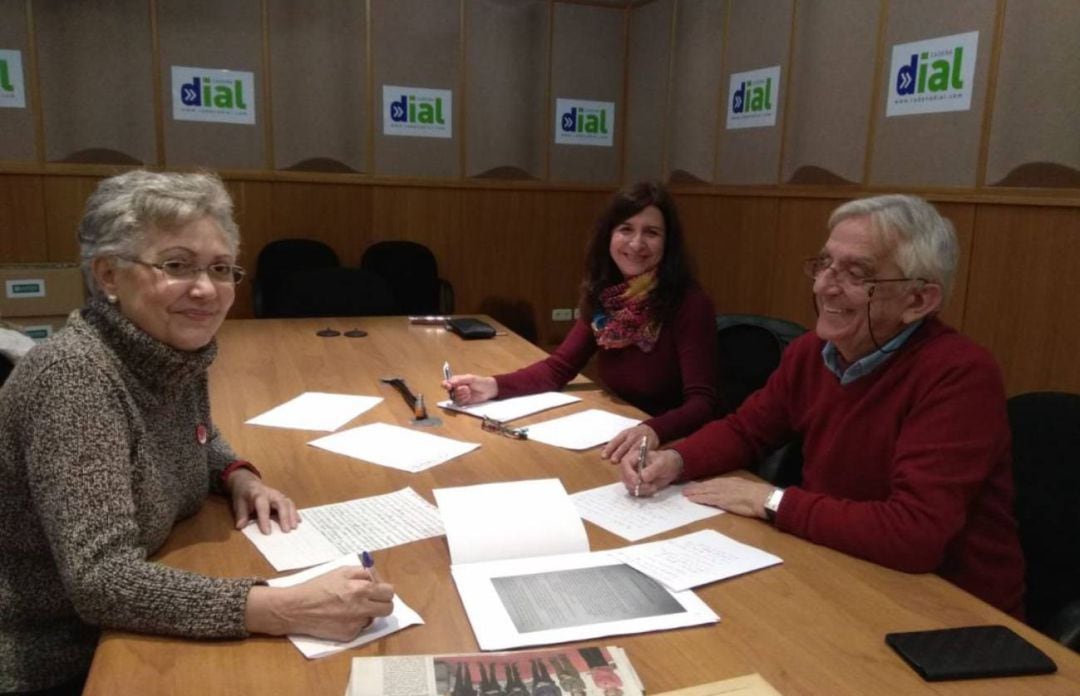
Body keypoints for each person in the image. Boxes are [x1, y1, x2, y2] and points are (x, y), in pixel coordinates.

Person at [0, 171, 394, 695]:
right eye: (177, 266)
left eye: (220, 268)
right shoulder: (74, 378)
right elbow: (100, 581)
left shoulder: (166, 352)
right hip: (61, 658)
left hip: (119, 633)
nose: (206, 289)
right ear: (109, 276)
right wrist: (286, 606)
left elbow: (195, 437)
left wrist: (239, 478)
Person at [619, 194, 1025, 617]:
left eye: (856, 273)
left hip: (950, 612)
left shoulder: (959, 374)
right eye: (825, 264)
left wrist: (772, 501)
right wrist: (676, 460)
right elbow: (747, 429)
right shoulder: (813, 352)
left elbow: (914, 533)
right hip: (839, 567)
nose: (823, 286)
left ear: (918, 301)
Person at [444, 181, 718, 460]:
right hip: (618, 433)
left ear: (668, 243)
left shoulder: (690, 304)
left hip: (668, 446)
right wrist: (491, 386)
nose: (637, 243)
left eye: (652, 232)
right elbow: (558, 368)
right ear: (608, 236)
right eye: (625, 229)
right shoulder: (609, 297)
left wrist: (652, 430)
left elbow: (702, 404)